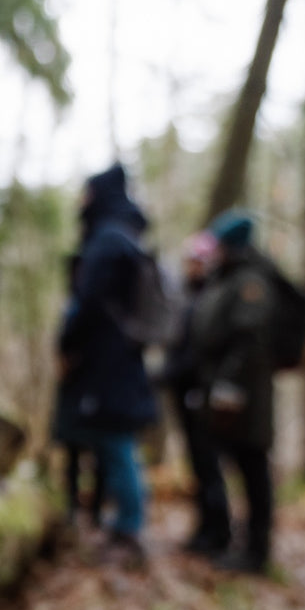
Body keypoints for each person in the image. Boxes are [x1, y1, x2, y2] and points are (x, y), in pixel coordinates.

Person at [51, 163, 159, 558]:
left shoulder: (109, 241)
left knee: (116, 443)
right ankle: (124, 525)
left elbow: (89, 301)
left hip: (107, 364)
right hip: (117, 362)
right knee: (115, 443)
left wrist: (68, 341)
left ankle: (129, 529)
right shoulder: (123, 237)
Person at [191, 209, 279, 575]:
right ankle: (232, 539)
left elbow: (248, 340)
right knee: (234, 466)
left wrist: (228, 387)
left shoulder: (251, 281)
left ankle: (257, 551)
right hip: (226, 392)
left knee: (253, 469)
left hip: (247, 398)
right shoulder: (228, 278)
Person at [159, 230, 231, 555]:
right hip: (186, 392)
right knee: (199, 466)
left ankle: (218, 533)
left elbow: (196, 355)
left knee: (209, 465)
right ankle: (205, 530)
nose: (193, 267)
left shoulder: (211, 300)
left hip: (201, 395)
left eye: (198, 261)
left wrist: (163, 376)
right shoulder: (188, 298)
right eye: (190, 261)